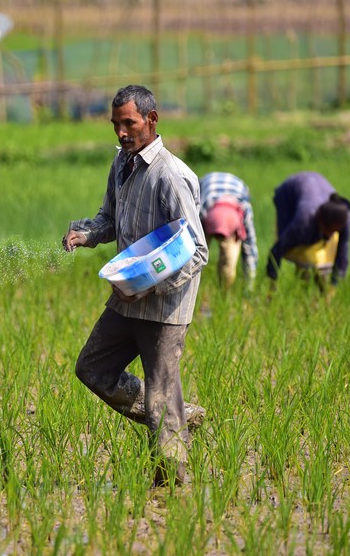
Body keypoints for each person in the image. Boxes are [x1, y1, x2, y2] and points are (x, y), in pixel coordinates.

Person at [61, 85, 209, 487]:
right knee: (92, 368)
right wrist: (86, 234)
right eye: (116, 125)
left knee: (162, 399)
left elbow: (197, 251)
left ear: (152, 119)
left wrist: (151, 287)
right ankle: (178, 412)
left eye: (129, 123)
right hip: (126, 298)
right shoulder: (121, 165)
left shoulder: (172, 176)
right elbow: (109, 219)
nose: (122, 132)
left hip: (163, 307)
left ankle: (172, 488)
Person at [267, 171, 350, 295]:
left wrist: (334, 285)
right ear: (320, 221)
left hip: (314, 186)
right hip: (287, 194)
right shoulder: (303, 221)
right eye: (329, 231)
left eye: (335, 232)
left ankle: (318, 283)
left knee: (323, 246)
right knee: (300, 239)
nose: (331, 235)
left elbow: (342, 252)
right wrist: (272, 284)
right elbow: (276, 251)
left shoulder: (344, 218)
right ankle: (303, 278)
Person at [199, 172, 258, 290]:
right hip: (205, 186)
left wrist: (249, 285)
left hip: (235, 198)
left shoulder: (244, 211)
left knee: (229, 261)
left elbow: (249, 247)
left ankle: (224, 291)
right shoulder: (201, 209)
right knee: (196, 253)